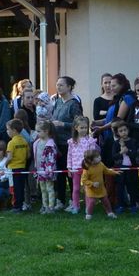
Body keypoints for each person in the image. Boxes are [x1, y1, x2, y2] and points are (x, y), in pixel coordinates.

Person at [49, 76, 82, 206]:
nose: (58, 87)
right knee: (59, 173)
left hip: (69, 144)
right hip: (56, 143)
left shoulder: (74, 103)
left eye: (61, 85)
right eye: (57, 85)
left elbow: (79, 123)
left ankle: (73, 201)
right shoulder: (57, 101)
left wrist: (62, 124)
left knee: (69, 173)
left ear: (69, 87)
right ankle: (60, 199)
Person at [81, 149, 118, 221]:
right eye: (97, 157)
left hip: (101, 188)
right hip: (91, 189)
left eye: (99, 156)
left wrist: (114, 172)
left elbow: (106, 171)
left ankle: (110, 213)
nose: (100, 157)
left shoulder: (101, 164)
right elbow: (84, 180)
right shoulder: (87, 169)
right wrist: (92, 184)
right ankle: (88, 215)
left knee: (106, 201)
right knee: (92, 202)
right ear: (91, 160)